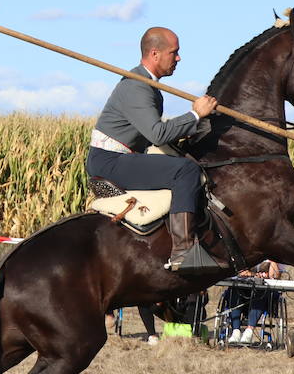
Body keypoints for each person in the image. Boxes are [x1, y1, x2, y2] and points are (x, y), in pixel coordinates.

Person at [86, 26, 218, 271]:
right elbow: (157, 134)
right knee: (185, 171)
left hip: (119, 158)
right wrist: (195, 114)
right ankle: (182, 251)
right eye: (174, 52)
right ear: (155, 54)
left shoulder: (150, 86)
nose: (178, 58)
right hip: (110, 161)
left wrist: (198, 125)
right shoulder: (137, 86)